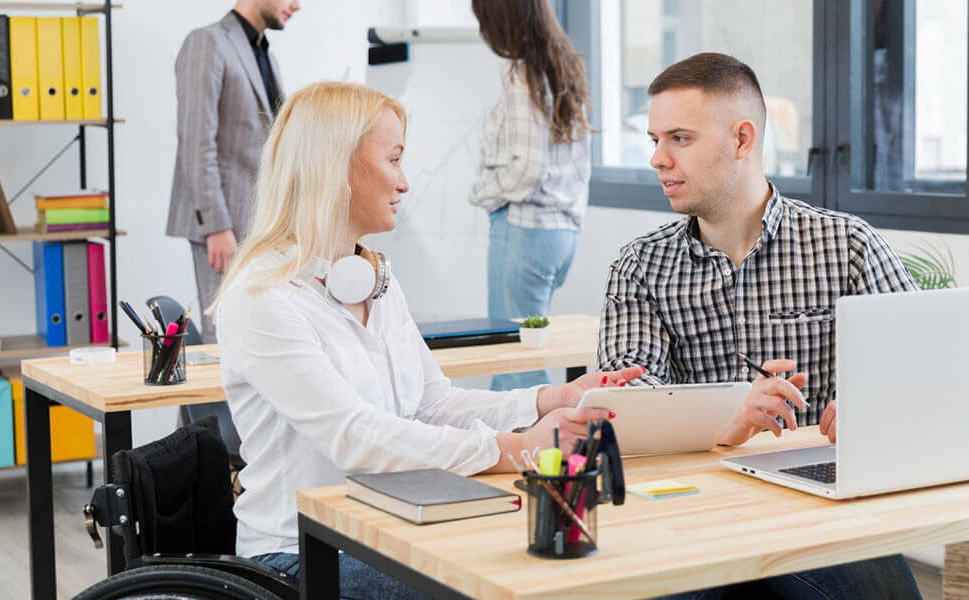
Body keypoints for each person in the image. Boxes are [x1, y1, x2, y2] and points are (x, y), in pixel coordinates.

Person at [208, 82, 642, 598]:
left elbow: (432, 403)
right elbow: (355, 436)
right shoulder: (263, 296)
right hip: (299, 554)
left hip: (391, 523)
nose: (405, 182)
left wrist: (547, 399)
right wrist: (516, 449)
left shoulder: (372, 277)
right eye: (393, 160)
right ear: (338, 167)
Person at [596, 53, 921, 599]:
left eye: (679, 138)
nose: (657, 158)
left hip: (821, 508)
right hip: (691, 512)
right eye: (655, 139)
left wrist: (876, 404)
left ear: (742, 140)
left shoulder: (847, 245)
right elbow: (622, 400)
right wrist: (723, 416)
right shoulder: (639, 266)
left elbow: (924, 362)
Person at [469, 0, 592, 391]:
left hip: (524, 231)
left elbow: (528, 169)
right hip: (561, 233)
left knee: (515, 359)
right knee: (526, 350)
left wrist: (482, 192)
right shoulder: (562, 67)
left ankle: (532, 450)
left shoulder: (521, 74)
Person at [166, 0, 299, 342]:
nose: (296, 6)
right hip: (224, 226)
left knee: (262, 332)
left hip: (262, 224)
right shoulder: (207, 43)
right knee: (225, 334)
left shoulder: (263, 52)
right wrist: (217, 227)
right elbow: (196, 143)